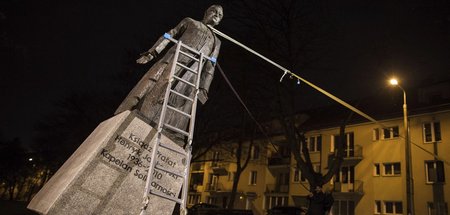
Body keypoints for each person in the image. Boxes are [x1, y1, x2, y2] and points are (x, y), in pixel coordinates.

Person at [115, 5, 223, 136]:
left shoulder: (217, 41)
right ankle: (141, 116)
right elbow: (170, 34)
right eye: (214, 11)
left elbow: (211, 66)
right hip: (173, 61)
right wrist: (153, 52)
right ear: (206, 12)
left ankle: (170, 132)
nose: (217, 15)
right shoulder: (190, 22)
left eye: (220, 15)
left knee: (180, 104)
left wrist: (204, 89)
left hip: (191, 75)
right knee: (155, 87)